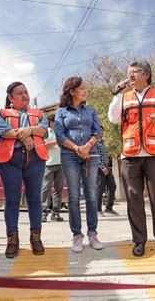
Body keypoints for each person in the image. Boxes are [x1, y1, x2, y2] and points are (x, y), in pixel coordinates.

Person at [108, 60, 155, 257]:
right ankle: (139, 241)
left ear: (147, 74)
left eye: (136, 71)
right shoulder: (123, 96)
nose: (131, 75)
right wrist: (117, 95)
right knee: (133, 199)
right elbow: (113, 118)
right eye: (129, 72)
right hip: (130, 155)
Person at [0, 81, 48, 258]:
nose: (24, 95)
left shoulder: (39, 114)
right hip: (9, 160)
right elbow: (2, 131)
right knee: (12, 200)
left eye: (26, 92)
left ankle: (36, 238)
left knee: (34, 199)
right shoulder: (1, 114)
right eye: (19, 93)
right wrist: (26, 138)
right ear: (10, 98)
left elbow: (43, 130)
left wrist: (28, 130)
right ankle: (12, 239)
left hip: (36, 159)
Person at [54, 76, 103, 253]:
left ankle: (92, 233)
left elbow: (98, 131)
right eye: (81, 88)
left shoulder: (91, 110)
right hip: (69, 156)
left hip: (91, 156)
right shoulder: (61, 112)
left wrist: (88, 146)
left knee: (91, 195)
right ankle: (77, 235)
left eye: (85, 87)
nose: (85, 90)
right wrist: (77, 148)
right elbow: (59, 135)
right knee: (73, 197)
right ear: (72, 91)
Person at [41, 113, 64, 223]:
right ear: (51, 122)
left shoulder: (60, 132)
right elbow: (45, 145)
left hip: (61, 164)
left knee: (58, 190)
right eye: (56, 121)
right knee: (46, 189)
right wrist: (58, 141)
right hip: (48, 164)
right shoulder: (45, 132)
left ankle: (56, 213)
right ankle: (43, 213)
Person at [96, 125, 118, 217]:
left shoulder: (103, 143)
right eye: (99, 130)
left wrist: (106, 167)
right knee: (99, 189)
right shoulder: (94, 143)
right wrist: (102, 167)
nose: (101, 132)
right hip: (99, 169)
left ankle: (109, 208)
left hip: (107, 168)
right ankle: (98, 210)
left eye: (102, 130)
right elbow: (94, 156)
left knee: (112, 186)